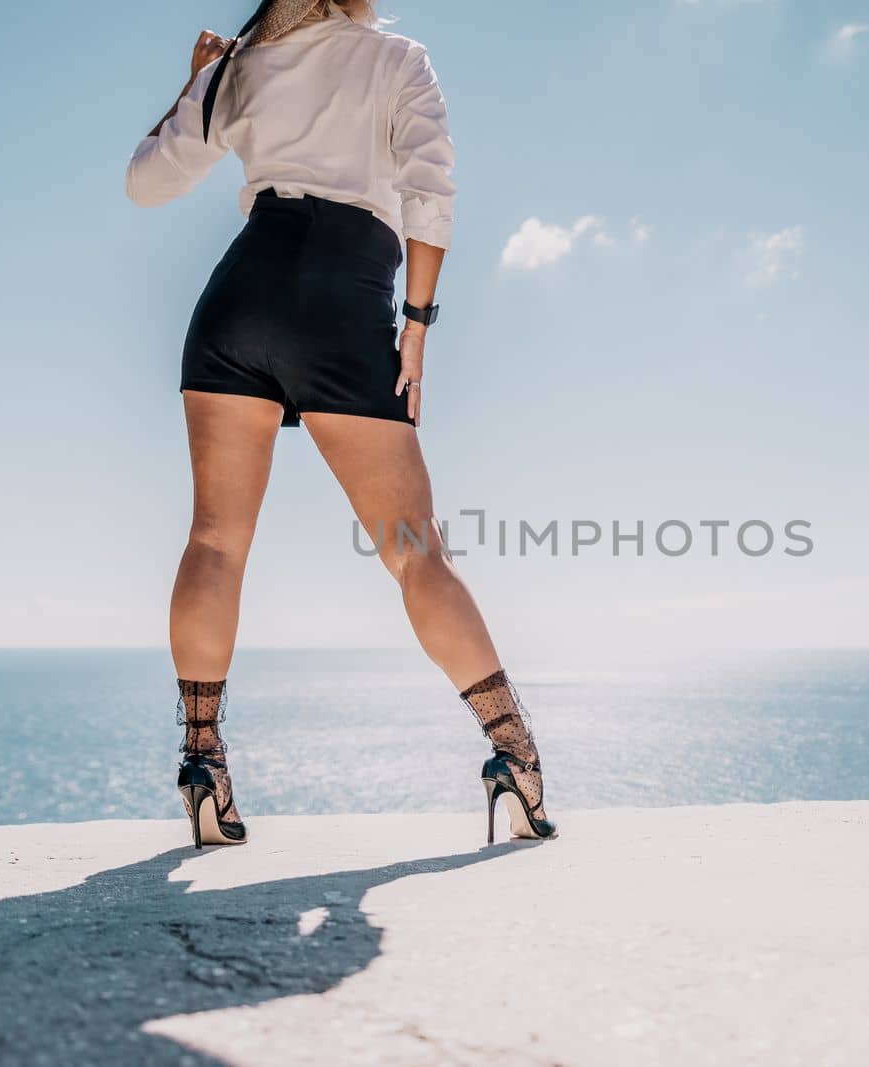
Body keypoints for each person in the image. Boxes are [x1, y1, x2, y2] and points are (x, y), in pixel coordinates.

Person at [126, 0, 555, 849]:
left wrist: (194, 84)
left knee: (214, 540)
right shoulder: (398, 59)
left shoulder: (242, 63)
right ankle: (514, 753)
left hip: (238, 295)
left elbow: (148, 181)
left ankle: (203, 762)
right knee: (413, 548)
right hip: (342, 292)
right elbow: (430, 194)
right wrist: (418, 328)